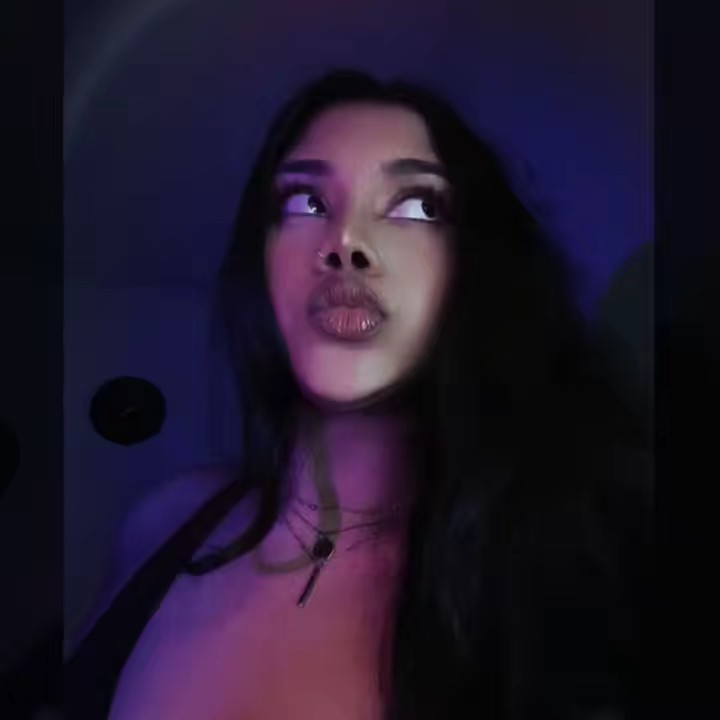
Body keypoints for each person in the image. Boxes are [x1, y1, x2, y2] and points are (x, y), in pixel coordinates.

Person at [65, 69, 651, 720]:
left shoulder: (554, 573)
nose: (346, 244)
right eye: (304, 202)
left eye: (418, 206)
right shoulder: (162, 525)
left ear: (474, 264)